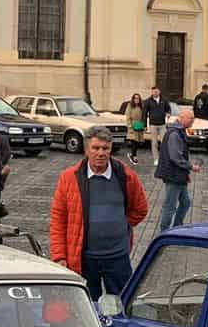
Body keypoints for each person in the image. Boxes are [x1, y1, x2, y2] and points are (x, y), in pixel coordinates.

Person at [49, 127, 150, 299]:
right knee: (86, 307)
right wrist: (59, 256)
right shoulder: (68, 178)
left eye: (105, 148)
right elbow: (58, 219)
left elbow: (140, 209)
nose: (101, 153)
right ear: (86, 150)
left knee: (122, 305)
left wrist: (120, 224)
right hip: (83, 260)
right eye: (96, 148)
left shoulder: (125, 175)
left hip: (117, 258)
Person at [155, 107, 199, 231]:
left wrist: (186, 174)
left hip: (179, 175)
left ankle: (177, 227)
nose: (192, 121)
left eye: (193, 118)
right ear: (182, 118)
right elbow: (175, 157)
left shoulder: (179, 131)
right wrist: (191, 167)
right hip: (173, 175)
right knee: (170, 206)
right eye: (190, 118)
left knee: (185, 203)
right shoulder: (175, 133)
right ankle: (164, 232)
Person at [121, 93, 148, 164]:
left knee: (139, 141)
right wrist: (129, 126)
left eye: (138, 98)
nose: (136, 100)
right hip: (133, 125)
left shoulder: (142, 106)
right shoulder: (130, 106)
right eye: (135, 98)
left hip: (140, 125)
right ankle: (134, 156)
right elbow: (128, 117)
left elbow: (144, 116)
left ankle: (132, 155)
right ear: (133, 99)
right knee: (134, 141)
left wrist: (144, 125)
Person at [144, 87, 168, 152]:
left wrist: (168, 113)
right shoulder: (148, 101)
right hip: (153, 124)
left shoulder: (164, 100)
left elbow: (168, 109)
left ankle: (164, 156)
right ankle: (156, 159)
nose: (155, 93)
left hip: (162, 124)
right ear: (152, 92)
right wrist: (145, 125)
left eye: (156, 91)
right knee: (154, 143)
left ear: (159, 92)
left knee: (164, 142)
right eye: (154, 92)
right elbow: (145, 113)